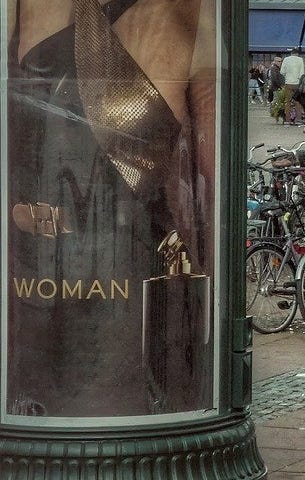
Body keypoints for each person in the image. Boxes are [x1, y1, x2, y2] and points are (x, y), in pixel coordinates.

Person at [8, 0, 218, 416]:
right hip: (37, 272)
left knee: (113, 400)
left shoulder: (193, 11)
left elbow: (211, 168)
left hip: (128, 277)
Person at [281, 48, 305, 123]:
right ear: (297, 54)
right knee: (298, 102)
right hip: (297, 83)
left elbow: (282, 72)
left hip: (288, 83)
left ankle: (287, 120)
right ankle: (298, 120)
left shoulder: (286, 59)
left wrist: (287, 76)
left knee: (287, 102)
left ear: (291, 53)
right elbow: (302, 73)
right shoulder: (300, 60)